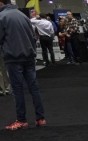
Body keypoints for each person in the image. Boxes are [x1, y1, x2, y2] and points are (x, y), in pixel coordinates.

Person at [0, 0, 46, 130]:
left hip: (13, 57)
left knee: (17, 89)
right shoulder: (22, 15)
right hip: (29, 56)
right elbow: (33, 36)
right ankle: (41, 118)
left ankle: (21, 120)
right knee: (34, 88)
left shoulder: (2, 17)